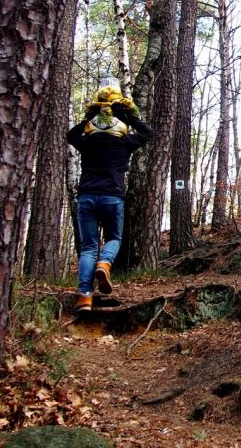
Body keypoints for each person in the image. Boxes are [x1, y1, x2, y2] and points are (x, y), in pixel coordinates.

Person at [66, 78, 152, 311]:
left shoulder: (87, 141)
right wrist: (128, 116)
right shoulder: (125, 142)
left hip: (86, 197)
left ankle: (84, 296)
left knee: (88, 247)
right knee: (114, 238)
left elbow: (71, 136)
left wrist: (88, 116)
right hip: (113, 196)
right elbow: (147, 133)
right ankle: (104, 264)